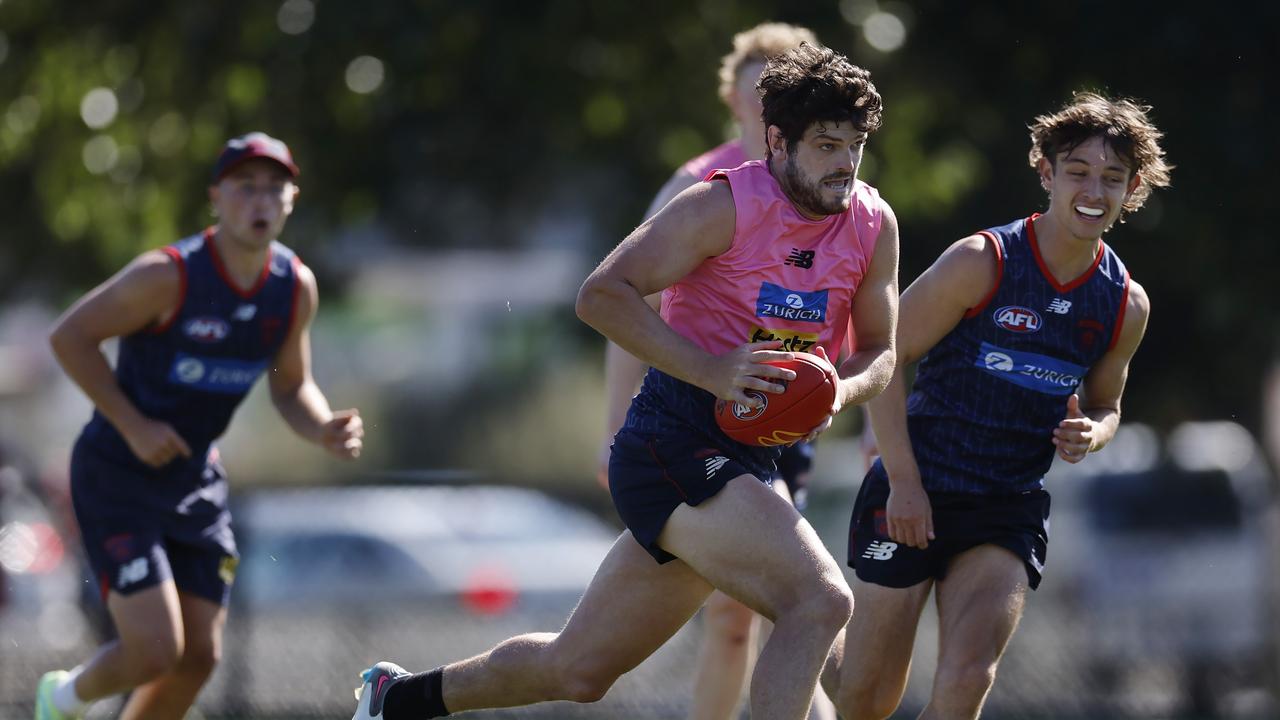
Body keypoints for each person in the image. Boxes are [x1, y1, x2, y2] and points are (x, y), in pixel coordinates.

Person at [353, 43, 898, 720]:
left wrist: (839, 392)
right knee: (820, 601)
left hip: (753, 452)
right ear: (777, 141)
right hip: (674, 440)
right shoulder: (718, 206)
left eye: (855, 145)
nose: (845, 163)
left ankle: (397, 700)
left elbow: (879, 349)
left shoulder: (873, 224)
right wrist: (714, 371)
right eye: (826, 145)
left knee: (577, 668)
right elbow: (602, 295)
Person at [823, 92, 1172, 720]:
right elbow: (882, 357)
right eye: (1078, 172)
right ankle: (805, 620)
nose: (1094, 190)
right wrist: (903, 483)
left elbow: (1108, 405)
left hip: (1004, 508)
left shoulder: (1125, 305)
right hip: (917, 488)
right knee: (866, 700)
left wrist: (1090, 433)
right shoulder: (982, 262)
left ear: (1133, 188)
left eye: (1113, 178)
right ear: (1046, 174)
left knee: (969, 679)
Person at [36, 132, 364, 720]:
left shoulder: (294, 289)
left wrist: (321, 428)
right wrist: (134, 424)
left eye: (274, 188)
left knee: (199, 660)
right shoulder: (168, 276)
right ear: (216, 196)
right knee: (157, 649)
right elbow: (70, 337)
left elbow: (290, 386)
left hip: (194, 484)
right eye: (245, 187)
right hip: (118, 476)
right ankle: (60, 700)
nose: (259, 201)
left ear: (291, 199)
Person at [595, 21, 835, 720]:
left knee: (793, 606)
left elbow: (862, 333)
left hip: (787, 422)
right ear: (732, 95)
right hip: (699, 422)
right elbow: (621, 302)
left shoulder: (834, 190)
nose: (767, 95)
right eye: (754, 82)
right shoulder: (699, 185)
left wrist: (869, 417)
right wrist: (612, 425)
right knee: (762, 609)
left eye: (782, 80)